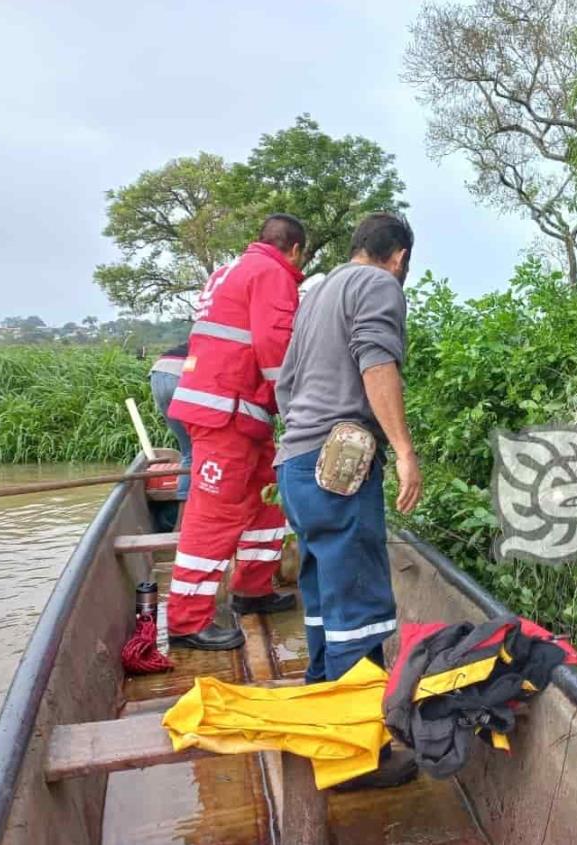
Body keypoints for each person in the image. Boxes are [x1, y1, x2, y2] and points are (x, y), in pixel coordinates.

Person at [274, 212, 421, 786]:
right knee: (358, 607)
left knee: (320, 595)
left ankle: (325, 712)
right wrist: (404, 451)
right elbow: (376, 363)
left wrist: (305, 440)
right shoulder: (379, 285)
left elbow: (285, 384)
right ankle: (355, 756)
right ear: (399, 257)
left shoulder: (315, 294)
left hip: (296, 464)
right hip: (339, 466)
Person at [164, 214, 306, 651]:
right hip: (224, 416)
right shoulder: (272, 273)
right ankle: (186, 621)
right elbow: (274, 346)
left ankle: (252, 590)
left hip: (240, 413)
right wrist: (299, 408)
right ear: (296, 249)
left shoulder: (229, 271)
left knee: (267, 498)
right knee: (214, 516)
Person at [148, 342, 192, 501]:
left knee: (188, 451)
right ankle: (188, 509)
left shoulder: (200, 336)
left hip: (157, 372)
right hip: (181, 372)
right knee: (196, 449)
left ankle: (181, 514)